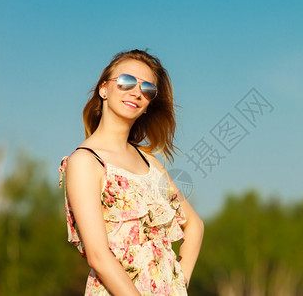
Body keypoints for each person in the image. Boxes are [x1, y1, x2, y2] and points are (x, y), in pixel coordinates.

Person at [58, 49, 204, 295]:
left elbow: (195, 225)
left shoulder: (150, 163)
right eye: (126, 82)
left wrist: (180, 283)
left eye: (147, 89)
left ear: (148, 105)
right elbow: (98, 256)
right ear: (103, 89)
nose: (136, 92)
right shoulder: (85, 161)